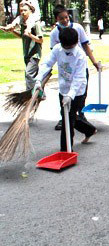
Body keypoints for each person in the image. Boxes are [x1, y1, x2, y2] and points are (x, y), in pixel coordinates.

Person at [35, 28, 97, 150]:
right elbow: (47, 64)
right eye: (65, 47)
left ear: (75, 43)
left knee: (67, 120)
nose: (67, 50)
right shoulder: (58, 49)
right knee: (68, 116)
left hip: (77, 91)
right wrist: (38, 79)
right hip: (63, 88)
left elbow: (79, 78)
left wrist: (70, 95)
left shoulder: (80, 55)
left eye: (69, 47)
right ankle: (89, 129)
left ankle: (66, 150)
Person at [49, 4, 100, 132]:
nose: (65, 20)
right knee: (65, 97)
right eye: (61, 18)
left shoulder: (78, 28)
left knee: (80, 96)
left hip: (80, 67)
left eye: (67, 17)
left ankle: (80, 117)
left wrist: (94, 62)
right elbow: (54, 54)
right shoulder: (54, 33)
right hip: (65, 71)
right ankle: (69, 119)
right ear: (56, 19)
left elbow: (85, 45)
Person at [1, 0, 43, 93]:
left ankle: (29, 96)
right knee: (33, 76)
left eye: (25, 10)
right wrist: (12, 30)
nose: (23, 13)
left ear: (30, 11)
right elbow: (22, 36)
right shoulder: (23, 22)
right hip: (26, 53)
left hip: (34, 54)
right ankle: (40, 94)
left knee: (29, 75)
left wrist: (30, 35)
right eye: (21, 11)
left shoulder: (35, 23)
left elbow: (41, 40)